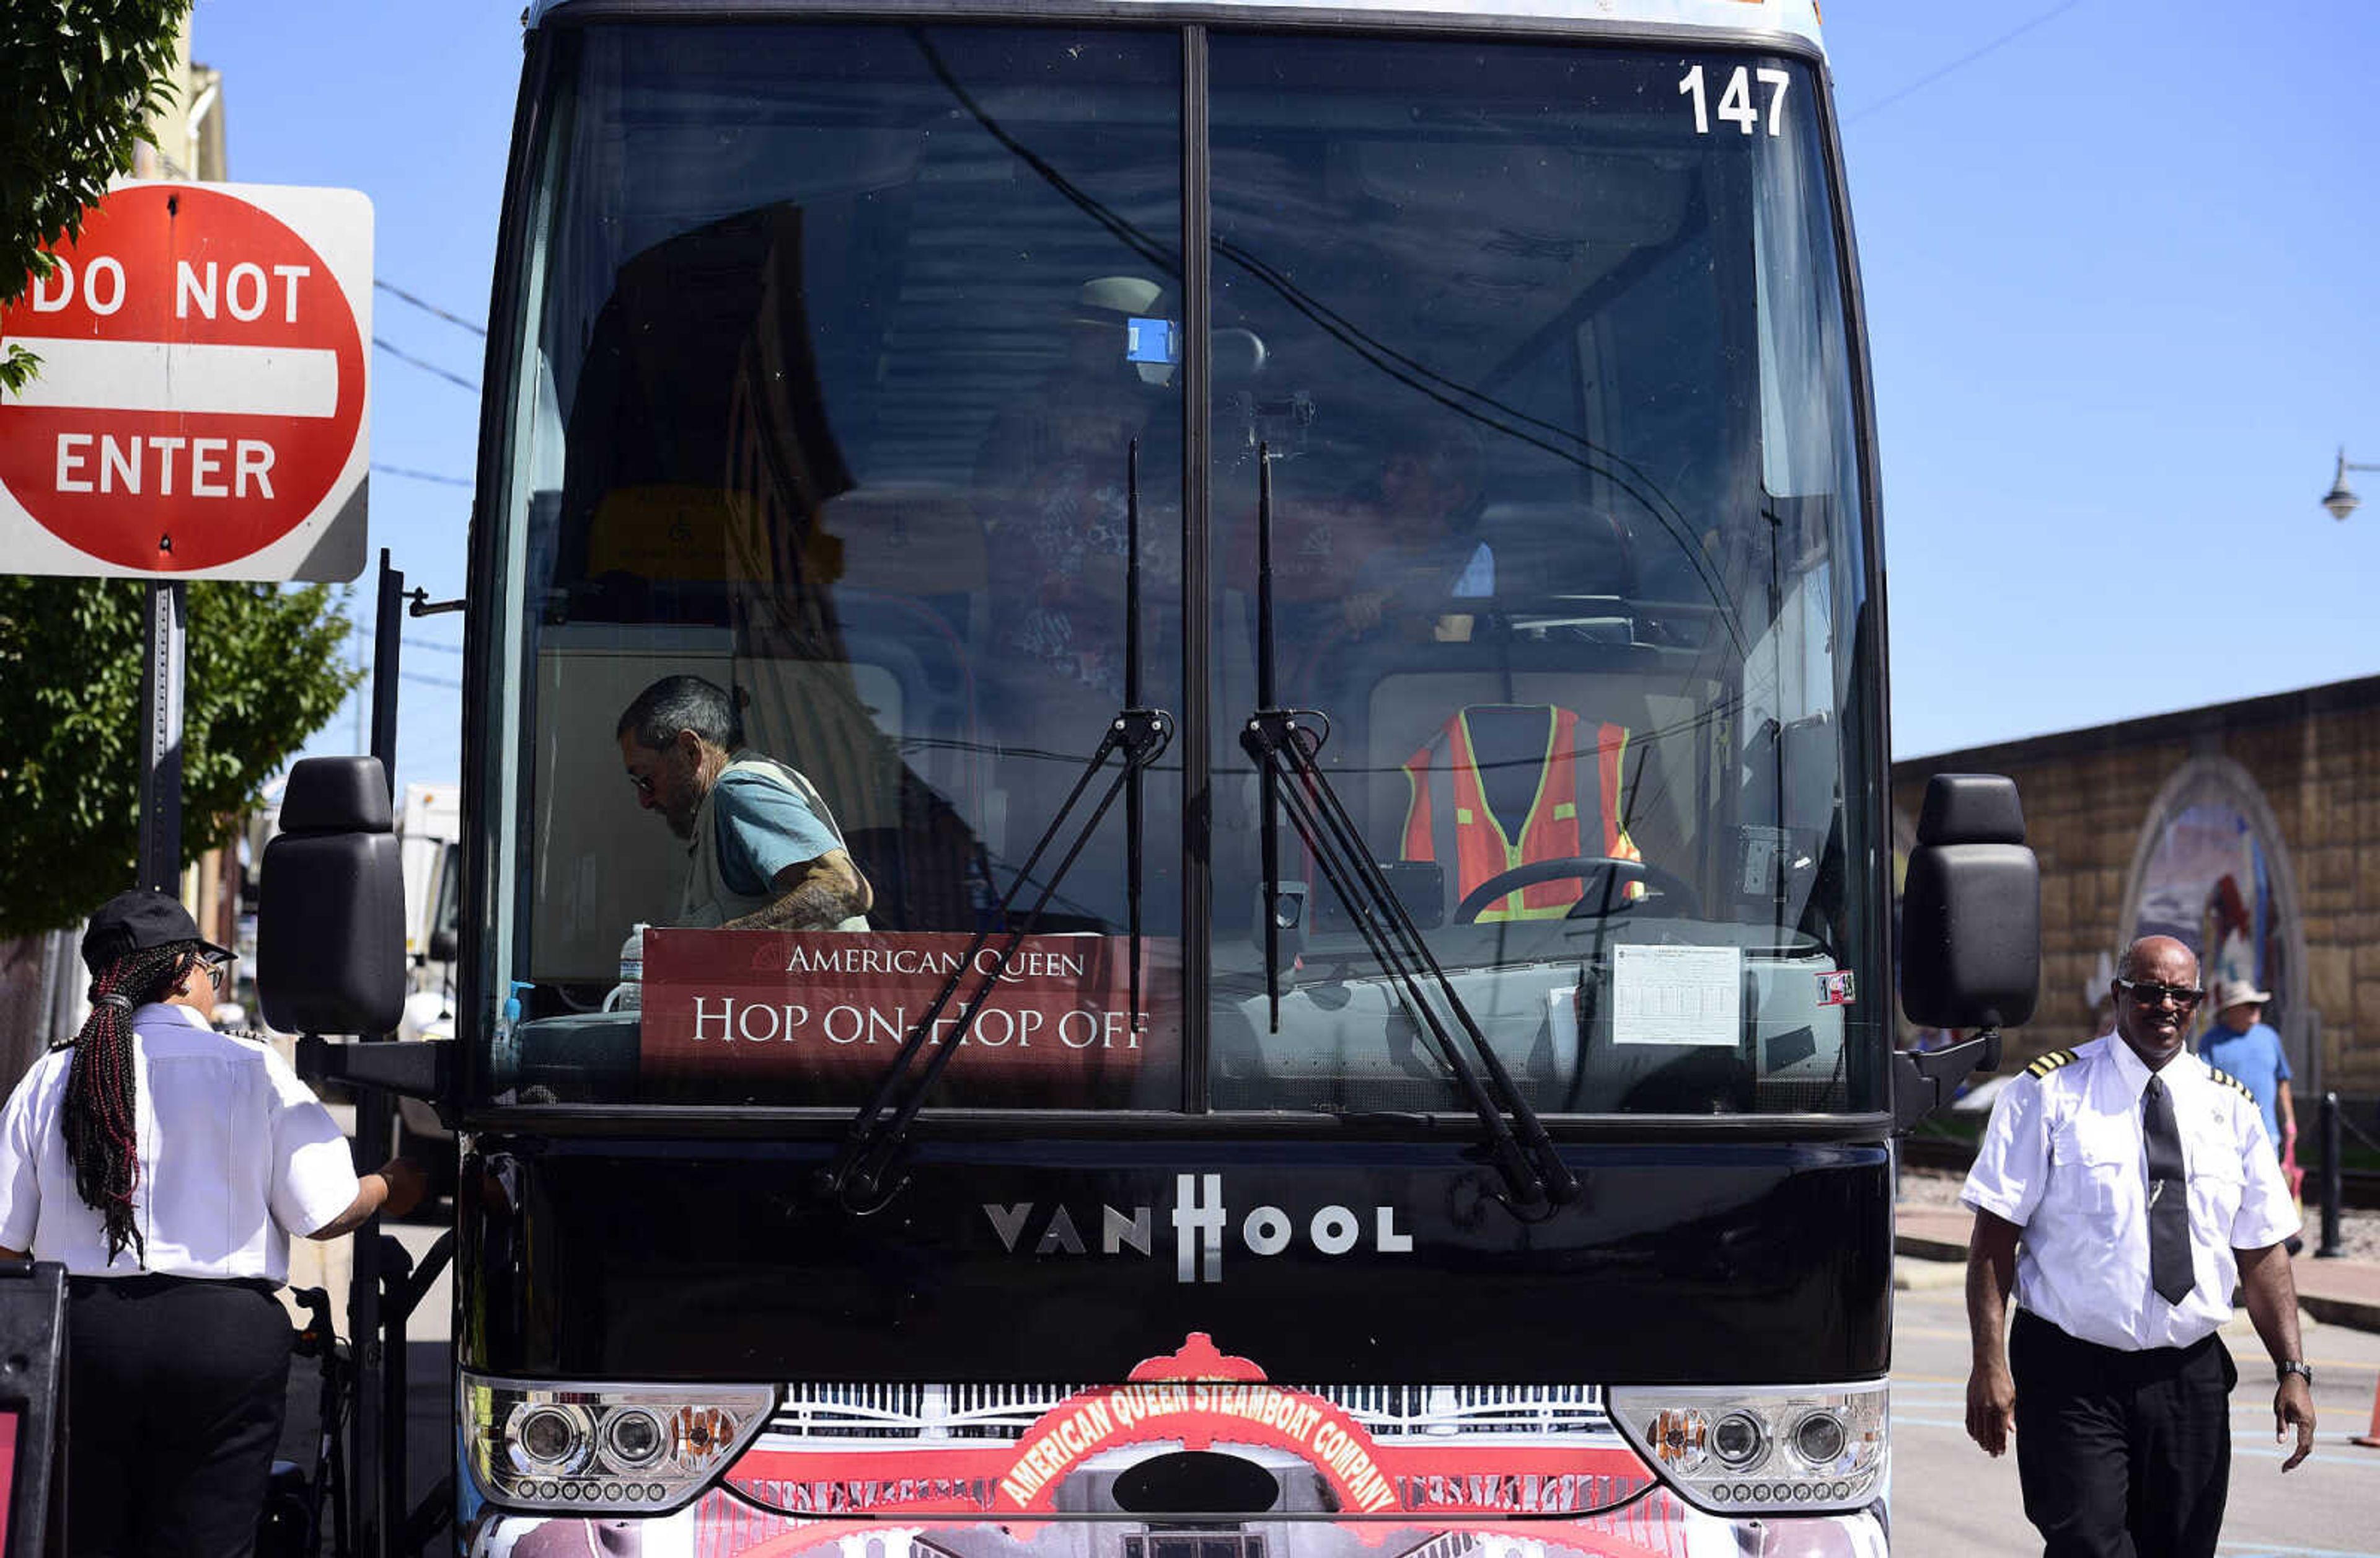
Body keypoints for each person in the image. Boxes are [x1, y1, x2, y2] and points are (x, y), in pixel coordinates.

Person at [0, 888, 425, 1557]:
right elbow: (323, 1211)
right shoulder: (253, 1067)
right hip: (222, 1344)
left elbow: (4, 1237)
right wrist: (391, 1184)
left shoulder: (51, 1075)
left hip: (81, 1340)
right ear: (181, 971)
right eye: (210, 968)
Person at [1960, 934, 2313, 1558]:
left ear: (2200, 1002)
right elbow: (1994, 1241)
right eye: (2151, 991)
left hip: (2189, 1375)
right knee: (2090, 1543)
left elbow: (2262, 1252)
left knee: (2182, 1546)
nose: (2168, 1005)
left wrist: (2293, 1368)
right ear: (2121, 994)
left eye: (2184, 994)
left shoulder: (2230, 1107)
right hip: (2071, 1371)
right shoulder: (2049, 1092)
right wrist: (1989, 1362)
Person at [616, 674, 873, 930]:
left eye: (646, 780)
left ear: (690, 750)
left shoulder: (740, 789)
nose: (645, 801)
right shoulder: (729, 798)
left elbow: (844, 888)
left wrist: (731, 940)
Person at [2196, 977, 2295, 1161]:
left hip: (2266, 1133)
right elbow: (2202, 1087)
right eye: (2250, 1005)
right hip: (2224, 1137)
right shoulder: (2210, 1041)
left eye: (2258, 1005)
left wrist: (2290, 1122)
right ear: (2232, 1009)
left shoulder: (2269, 1037)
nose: (2256, 1009)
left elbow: (2282, 1081)